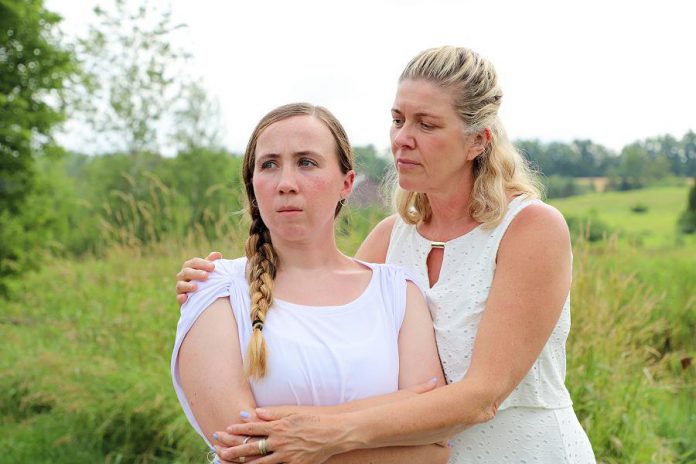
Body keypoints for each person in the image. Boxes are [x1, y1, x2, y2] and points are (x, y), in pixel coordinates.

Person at [176, 46, 596, 463]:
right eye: (397, 120)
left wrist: (322, 432)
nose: (401, 139)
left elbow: (481, 398)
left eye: (426, 125)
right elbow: (319, 315)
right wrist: (219, 286)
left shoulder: (530, 229)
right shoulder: (391, 239)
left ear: (477, 142)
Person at [171, 102, 450, 464]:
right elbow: (243, 452)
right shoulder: (215, 290)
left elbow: (435, 447)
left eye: (307, 162)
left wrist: (309, 440)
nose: (286, 183)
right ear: (253, 186)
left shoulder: (399, 291)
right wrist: (394, 422)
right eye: (269, 164)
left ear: (346, 184)